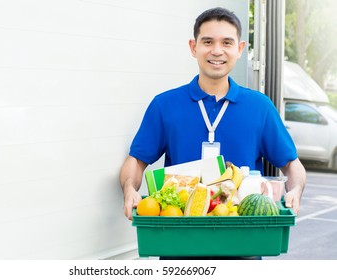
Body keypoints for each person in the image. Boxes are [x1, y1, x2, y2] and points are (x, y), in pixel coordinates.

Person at [119, 7, 306, 223]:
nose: (217, 51)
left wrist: (295, 191)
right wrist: (130, 189)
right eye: (208, 42)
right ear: (193, 47)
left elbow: (292, 165)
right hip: (179, 239)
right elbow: (136, 160)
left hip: (244, 239)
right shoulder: (164, 105)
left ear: (240, 48)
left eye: (227, 43)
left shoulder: (260, 107)